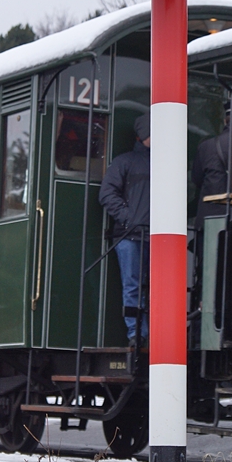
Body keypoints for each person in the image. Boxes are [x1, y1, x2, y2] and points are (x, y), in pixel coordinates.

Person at [98, 113, 150, 346]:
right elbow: (107, 194)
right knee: (133, 285)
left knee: (144, 286)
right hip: (130, 236)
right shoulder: (124, 161)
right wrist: (129, 218)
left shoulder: (126, 161)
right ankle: (136, 334)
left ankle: (146, 333)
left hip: (149, 235)